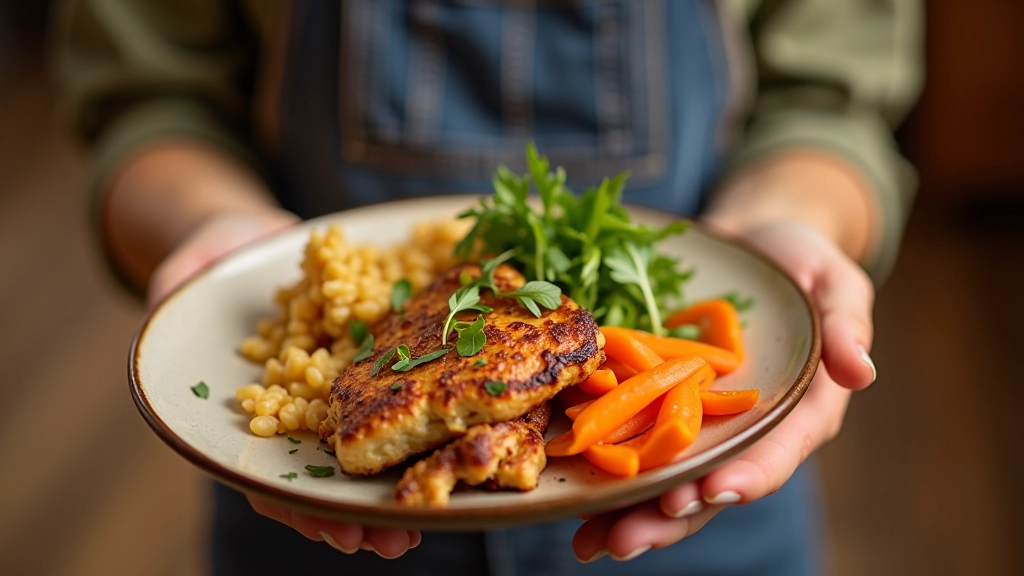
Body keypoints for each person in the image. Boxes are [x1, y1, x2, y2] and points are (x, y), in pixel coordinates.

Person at [56, 0, 921, 574]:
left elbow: (826, 101)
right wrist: (214, 231)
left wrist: (786, 224)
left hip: (703, 487)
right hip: (300, 510)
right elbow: (151, 99)